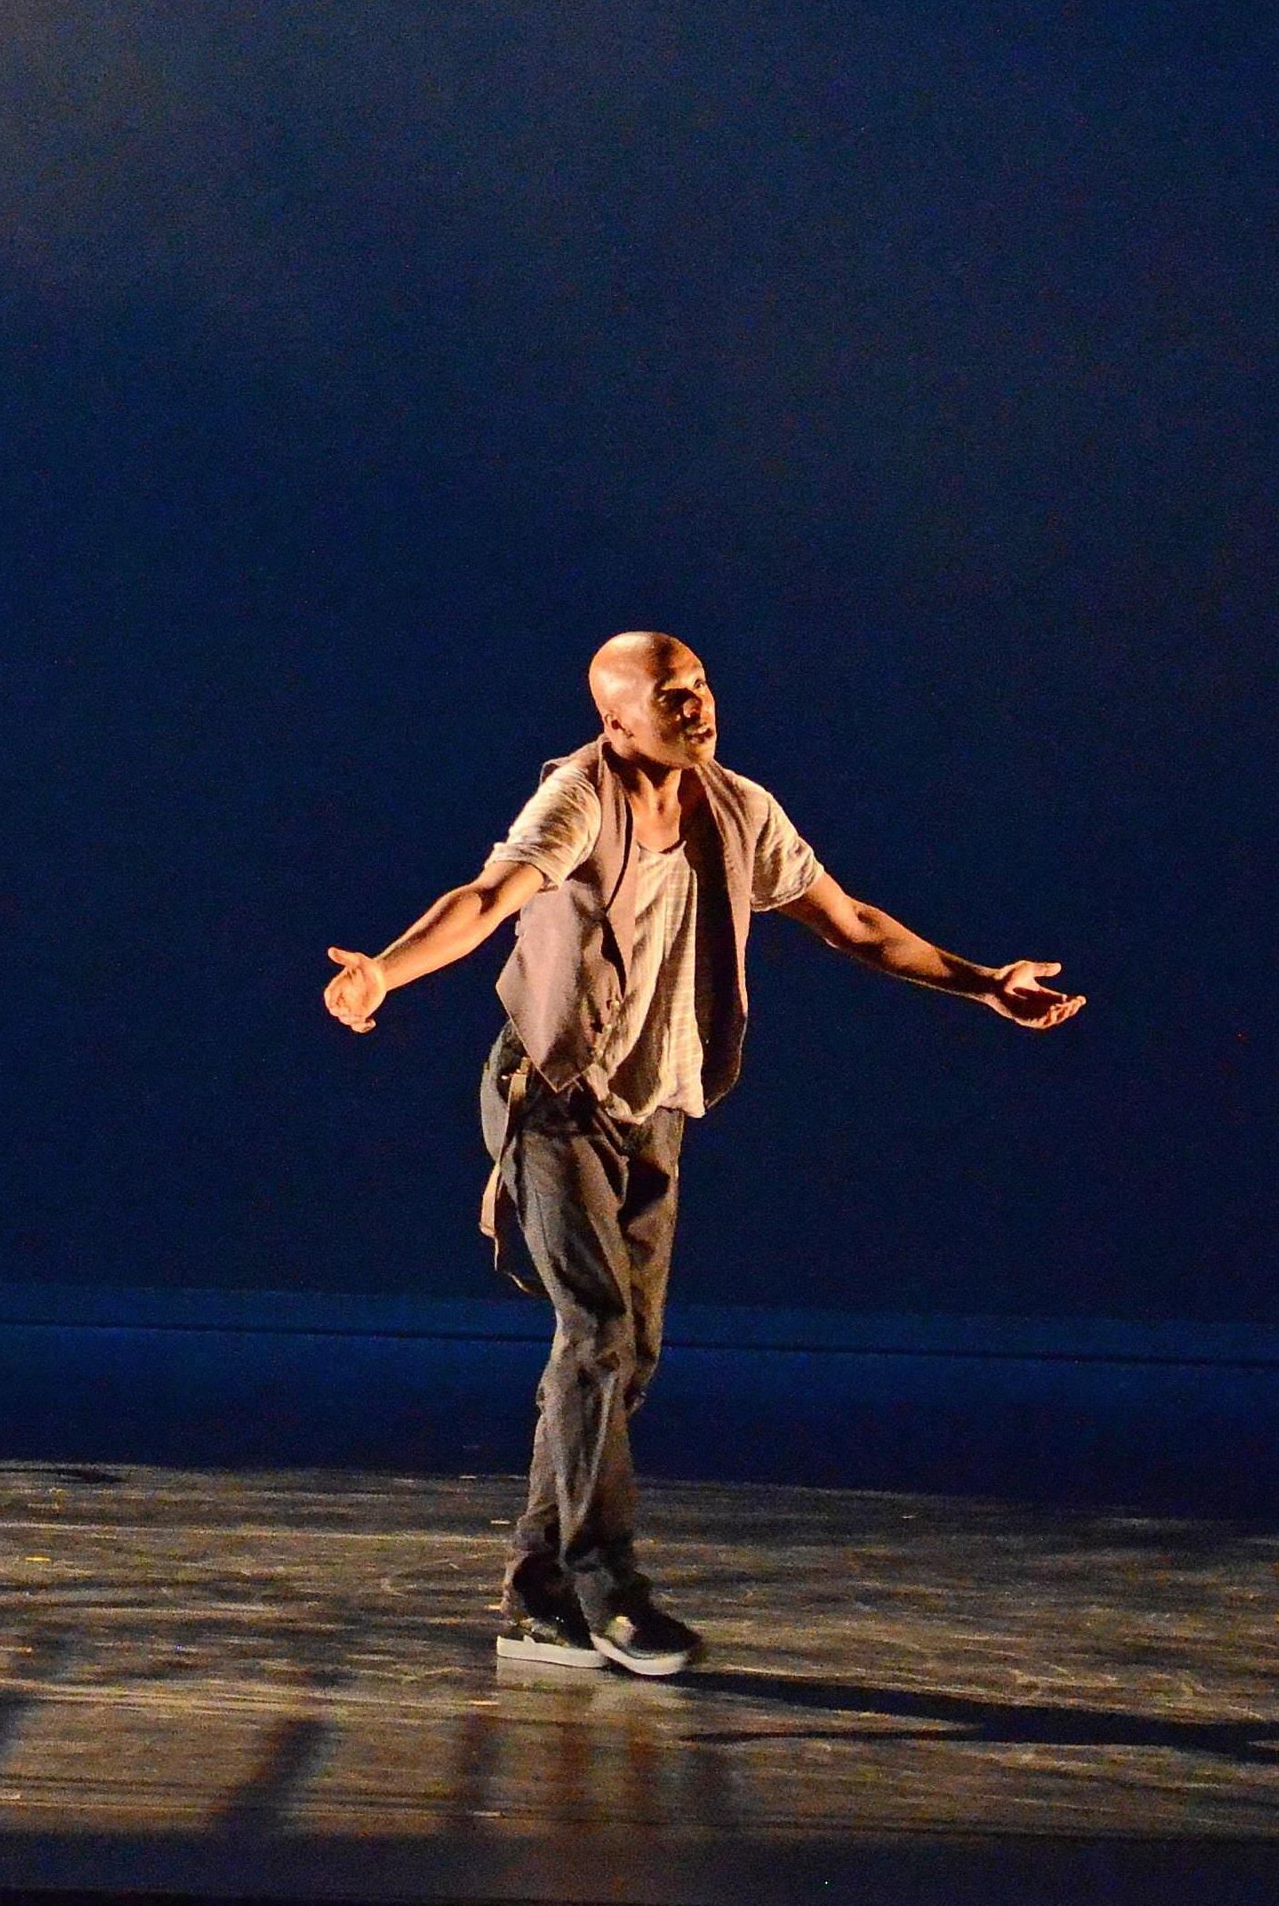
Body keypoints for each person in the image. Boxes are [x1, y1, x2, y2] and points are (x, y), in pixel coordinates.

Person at [322, 631, 1085, 1679]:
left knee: (625, 1356)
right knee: (592, 1333)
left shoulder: (739, 810)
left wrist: (982, 980)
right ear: (616, 717)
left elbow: (852, 923)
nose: (697, 707)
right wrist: (384, 975)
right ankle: (609, 1588)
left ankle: (537, 1594)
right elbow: (488, 898)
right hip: (555, 1095)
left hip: (659, 1103)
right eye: (671, 696)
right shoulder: (579, 800)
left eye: (701, 687)